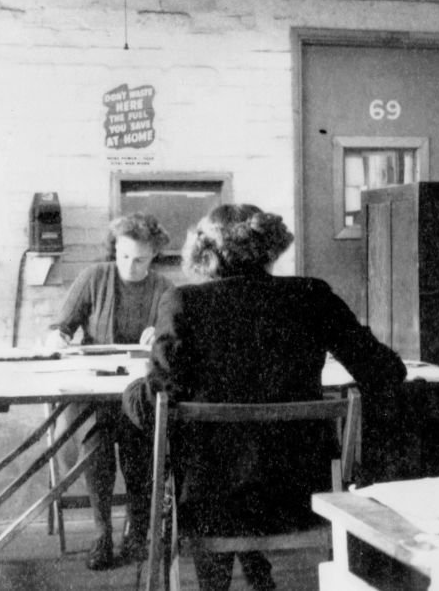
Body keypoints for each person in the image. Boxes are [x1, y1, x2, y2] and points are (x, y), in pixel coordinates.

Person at [123, 204, 406, 591]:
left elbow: (152, 405)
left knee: (204, 459)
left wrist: (134, 388)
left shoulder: (183, 303)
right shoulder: (312, 294)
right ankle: (260, 576)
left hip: (213, 506)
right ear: (271, 248)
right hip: (304, 498)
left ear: (205, 253)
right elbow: (387, 372)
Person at [45, 212, 172, 570]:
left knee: (141, 441)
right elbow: (62, 327)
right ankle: (102, 532)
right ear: (114, 250)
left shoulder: (164, 289)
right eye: (124, 256)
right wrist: (59, 337)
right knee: (97, 442)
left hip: (138, 392)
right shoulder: (93, 277)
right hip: (95, 393)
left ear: (154, 257)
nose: (131, 265)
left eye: (141, 259)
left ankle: (137, 531)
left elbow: (174, 339)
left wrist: (159, 335)